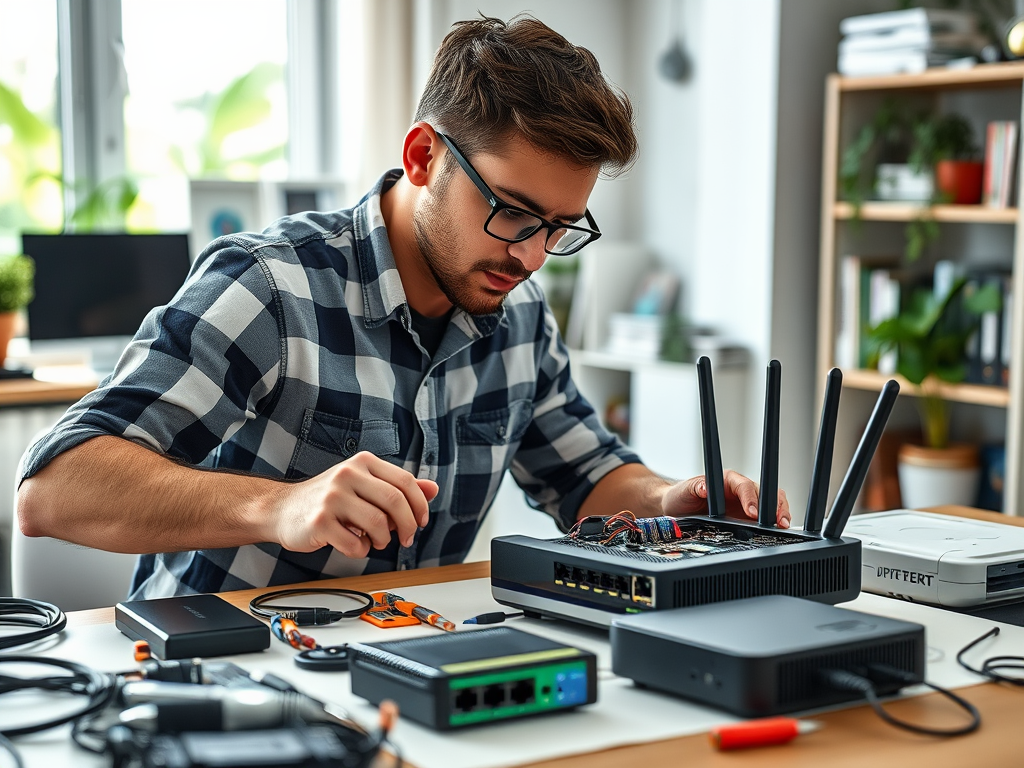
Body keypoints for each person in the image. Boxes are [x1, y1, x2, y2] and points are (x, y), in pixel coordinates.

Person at [17, 15, 789, 599]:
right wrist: (278, 508)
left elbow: (585, 478)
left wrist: (670, 500)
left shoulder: (520, 319)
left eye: (558, 228)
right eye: (514, 212)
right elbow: (53, 489)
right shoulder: (271, 287)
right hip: (223, 679)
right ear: (423, 156)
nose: (528, 256)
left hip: (402, 666)